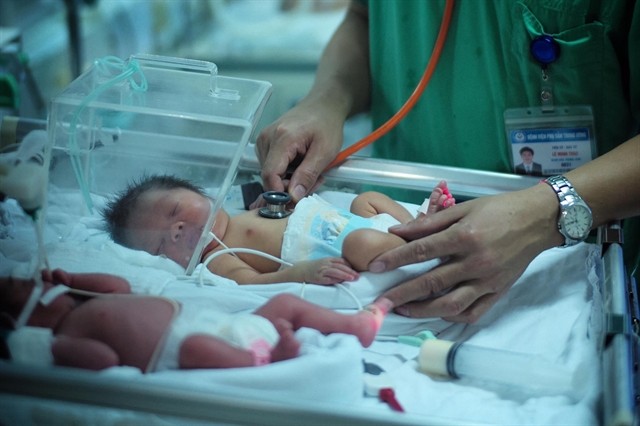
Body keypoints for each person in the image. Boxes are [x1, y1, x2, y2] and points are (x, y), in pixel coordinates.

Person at [255, 1, 640, 322]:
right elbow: (366, 17)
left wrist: (548, 211)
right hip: (400, 240)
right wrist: (327, 99)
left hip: (575, 263)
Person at [0, 269, 390, 371]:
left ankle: (353, 325)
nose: (32, 279)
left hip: (221, 326)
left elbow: (118, 285)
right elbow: (103, 361)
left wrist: (73, 281)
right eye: (22, 286)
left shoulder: (83, 303)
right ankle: (269, 361)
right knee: (196, 349)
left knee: (285, 301)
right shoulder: (63, 336)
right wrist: (53, 349)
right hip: (180, 349)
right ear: (20, 323)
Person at [102, 174, 453, 285]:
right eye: (163, 242)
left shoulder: (247, 209)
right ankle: (415, 236)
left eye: (175, 211)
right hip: (343, 248)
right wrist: (302, 272)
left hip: (351, 223)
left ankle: (413, 224)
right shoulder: (218, 260)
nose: (178, 228)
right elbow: (254, 283)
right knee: (362, 241)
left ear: (204, 193)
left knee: (368, 198)